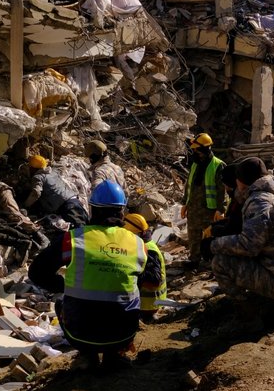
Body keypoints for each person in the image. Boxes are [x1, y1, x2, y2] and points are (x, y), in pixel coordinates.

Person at [28, 181, 162, 370]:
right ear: (122, 212)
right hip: (123, 333)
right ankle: (114, 354)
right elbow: (148, 281)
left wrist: (64, 286)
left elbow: (36, 272)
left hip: (80, 335)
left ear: (92, 210)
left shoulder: (72, 240)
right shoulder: (139, 245)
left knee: (60, 303)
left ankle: (87, 355)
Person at [201, 157, 274, 304]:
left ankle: (249, 313)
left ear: (240, 181)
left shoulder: (258, 202)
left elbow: (248, 245)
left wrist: (213, 244)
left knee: (220, 262)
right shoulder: (273, 194)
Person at [180, 133, 226, 266]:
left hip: (209, 210)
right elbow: (189, 185)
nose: (194, 152)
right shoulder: (195, 164)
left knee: (210, 236)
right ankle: (194, 260)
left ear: (205, 149)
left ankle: (211, 263)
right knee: (193, 235)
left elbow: (222, 190)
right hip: (194, 208)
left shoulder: (218, 165)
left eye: (196, 150)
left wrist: (220, 209)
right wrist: (185, 203)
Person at [122, 213, 167, 324]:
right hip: (148, 304)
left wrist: (132, 275)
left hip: (148, 306)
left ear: (137, 234)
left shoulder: (149, 250)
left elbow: (154, 281)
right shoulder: (143, 244)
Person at [23, 155, 89, 228]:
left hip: (67, 206)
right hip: (75, 201)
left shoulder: (38, 177)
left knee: (81, 230)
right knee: (88, 226)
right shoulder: (52, 171)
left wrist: (25, 205)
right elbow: (61, 166)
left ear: (33, 168)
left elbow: (36, 193)